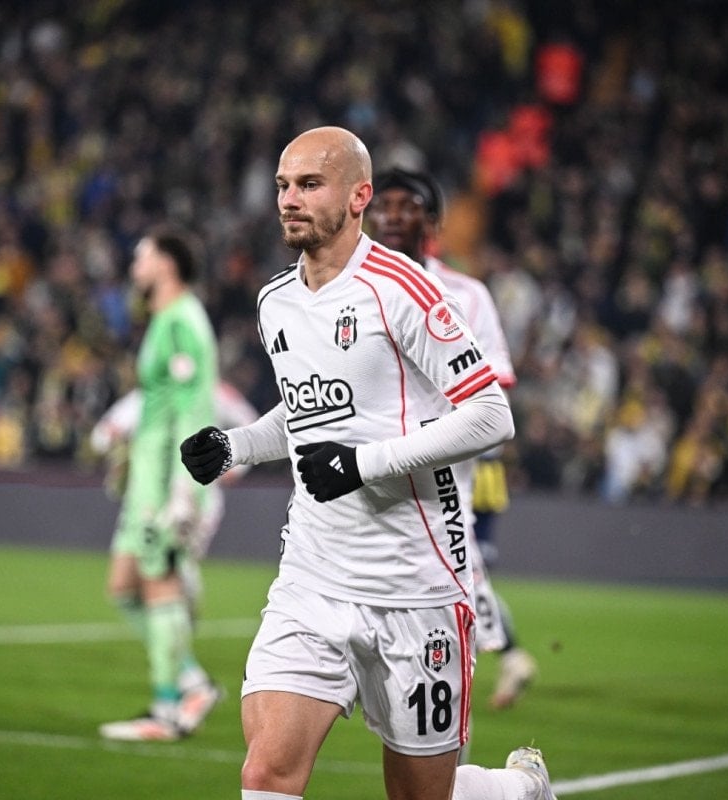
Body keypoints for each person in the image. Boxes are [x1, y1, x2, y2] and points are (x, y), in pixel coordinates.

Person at [180, 126, 555, 800]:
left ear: (359, 197)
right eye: (283, 186)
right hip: (313, 578)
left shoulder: (404, 289)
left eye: (309, 184)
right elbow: (308, 413)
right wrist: (236, 445)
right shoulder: (276, 301)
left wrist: (364, 464)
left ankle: (517, 791)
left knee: (421, 796)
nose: (289, 199)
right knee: (266, 773)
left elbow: (491, 414)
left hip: (414, 584)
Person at [368, 166, 538, 712]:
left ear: (434, 221)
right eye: (383, 205)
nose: (394, 216)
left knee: (459, 578)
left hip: (450, 473)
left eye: (408, 205)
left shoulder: (466, 294)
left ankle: (485, 673)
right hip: (370, 477)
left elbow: (494, 390)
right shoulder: (351, 290)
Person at [96, 227, 223, 743]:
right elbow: (161, 406)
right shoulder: (164, 319)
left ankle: (166, 710)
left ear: (167, 265)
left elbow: (193, 410)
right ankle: (192, 683)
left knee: (157, 582)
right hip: (147, 477)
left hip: (167, 482)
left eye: (142, 255)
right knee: (123, 586)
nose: (135, 264)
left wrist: (183, 491)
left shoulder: (181, 322)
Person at [90, 380, 259, 618]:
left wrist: (235, 465)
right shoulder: (147, 395)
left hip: (199, 495)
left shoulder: (213, 392)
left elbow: (251, 421)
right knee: (145, 574)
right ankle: (178, 614)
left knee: (179, 561)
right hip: (150, 499)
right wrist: (116, 444)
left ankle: (182, 612)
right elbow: (102, 435)